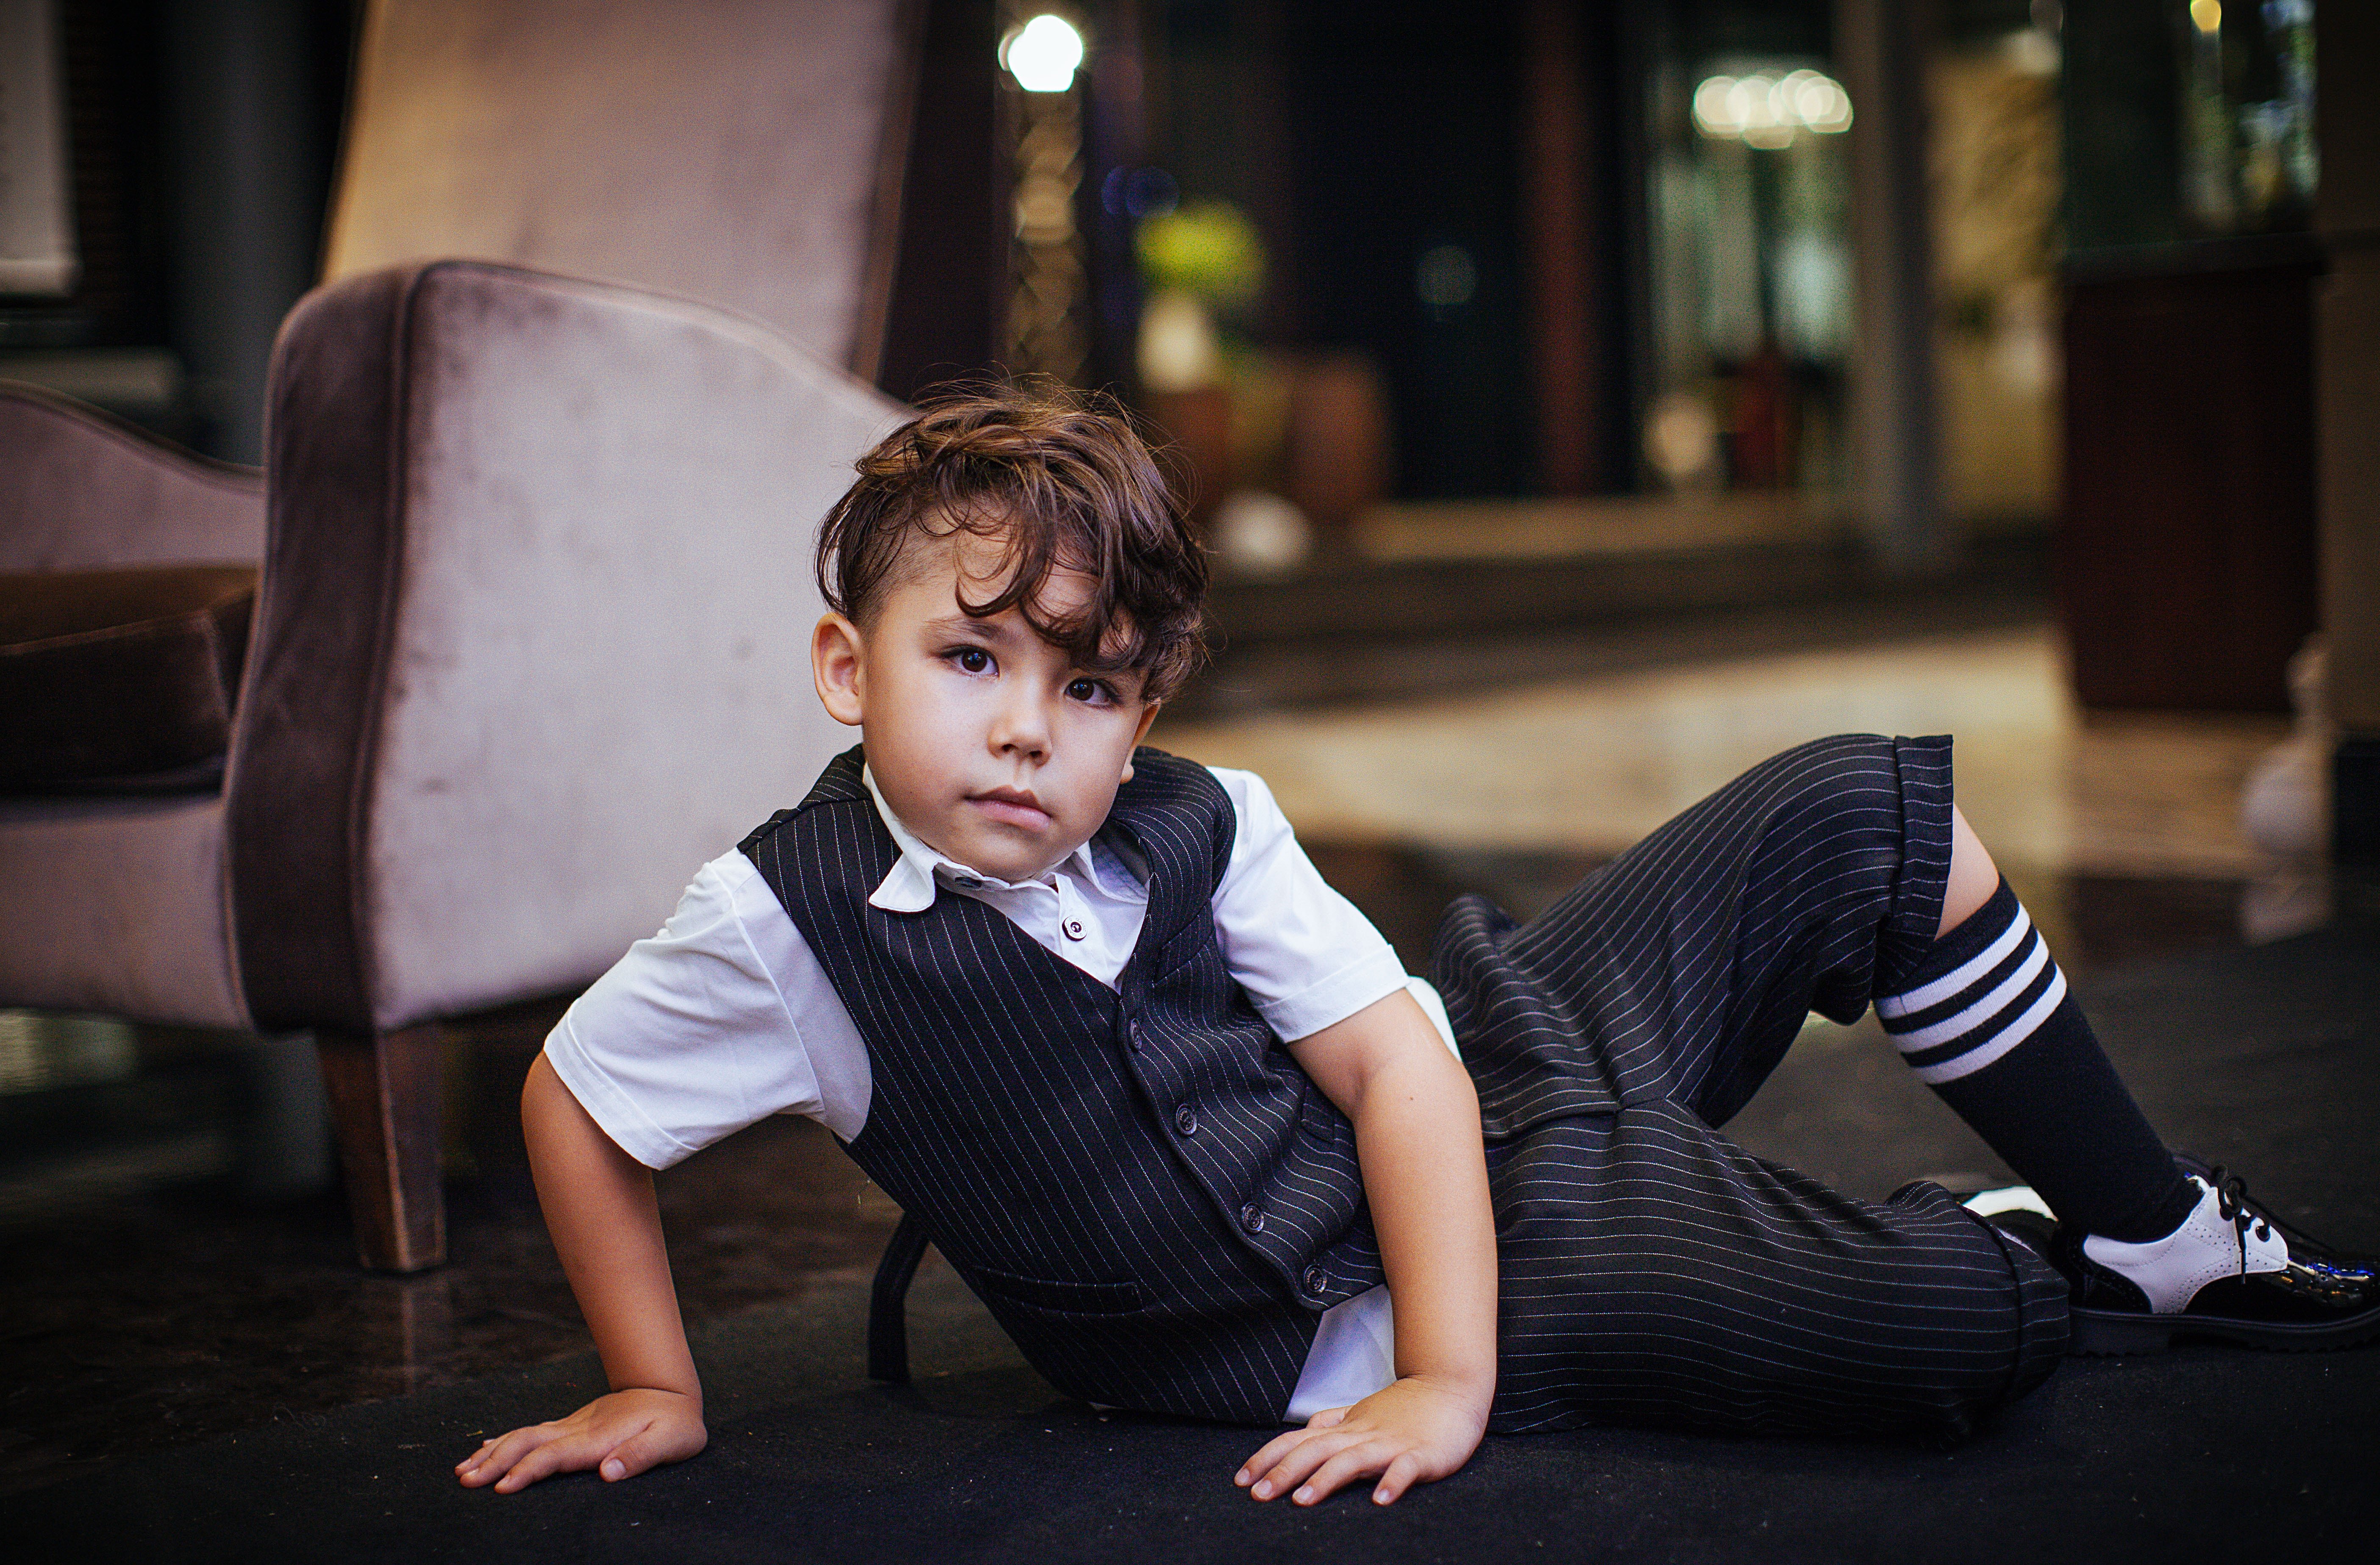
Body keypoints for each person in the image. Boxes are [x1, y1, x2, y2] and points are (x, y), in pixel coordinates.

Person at [456, 388, 2378, 1508]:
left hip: (1473, 1103)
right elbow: (578, 1099)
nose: (1034, 728)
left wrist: (1448, 1384)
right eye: (973, 661)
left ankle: (2158, 1233)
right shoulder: (780, 924)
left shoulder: (1203, 815)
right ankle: (2007, 1250)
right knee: (1940, 1337)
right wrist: (657, 1383)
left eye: (1098, 685)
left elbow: (1402, 1062)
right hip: (1369, 1301)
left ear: (1145, 705)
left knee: (1866, 807)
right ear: (843, 666)